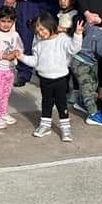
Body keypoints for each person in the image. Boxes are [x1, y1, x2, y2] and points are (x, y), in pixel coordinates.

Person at [19, 13, 84, 141]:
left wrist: (77, 34)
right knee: (46, 102)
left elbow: (74, 49)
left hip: (60, 79)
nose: (41, 33)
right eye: (38, 31)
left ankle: (66, 129)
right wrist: (20, 56)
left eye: (42, 29)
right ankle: (45, 125)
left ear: (50, 25)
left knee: (61, 104)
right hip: (44, 79)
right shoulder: (38, 44)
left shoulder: (63, 39)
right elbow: (35, 62)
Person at [70, 10, 102, 127]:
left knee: (93, 83)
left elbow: (87, 26)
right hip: (82, 65)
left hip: (81, 62)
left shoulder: (94, 29)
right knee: (88, 88)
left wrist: (92, 22)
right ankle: (93, 114)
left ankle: (81, 102)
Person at [0, 5, 23, 129]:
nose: (6, 24)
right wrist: (6, 55)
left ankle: (3, 113)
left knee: (6, 93)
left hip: (11, 69)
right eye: (3, 21)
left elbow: (20, 48)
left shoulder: (15, 35)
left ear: (13, 22)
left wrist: (17, 53)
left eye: (9, 21)